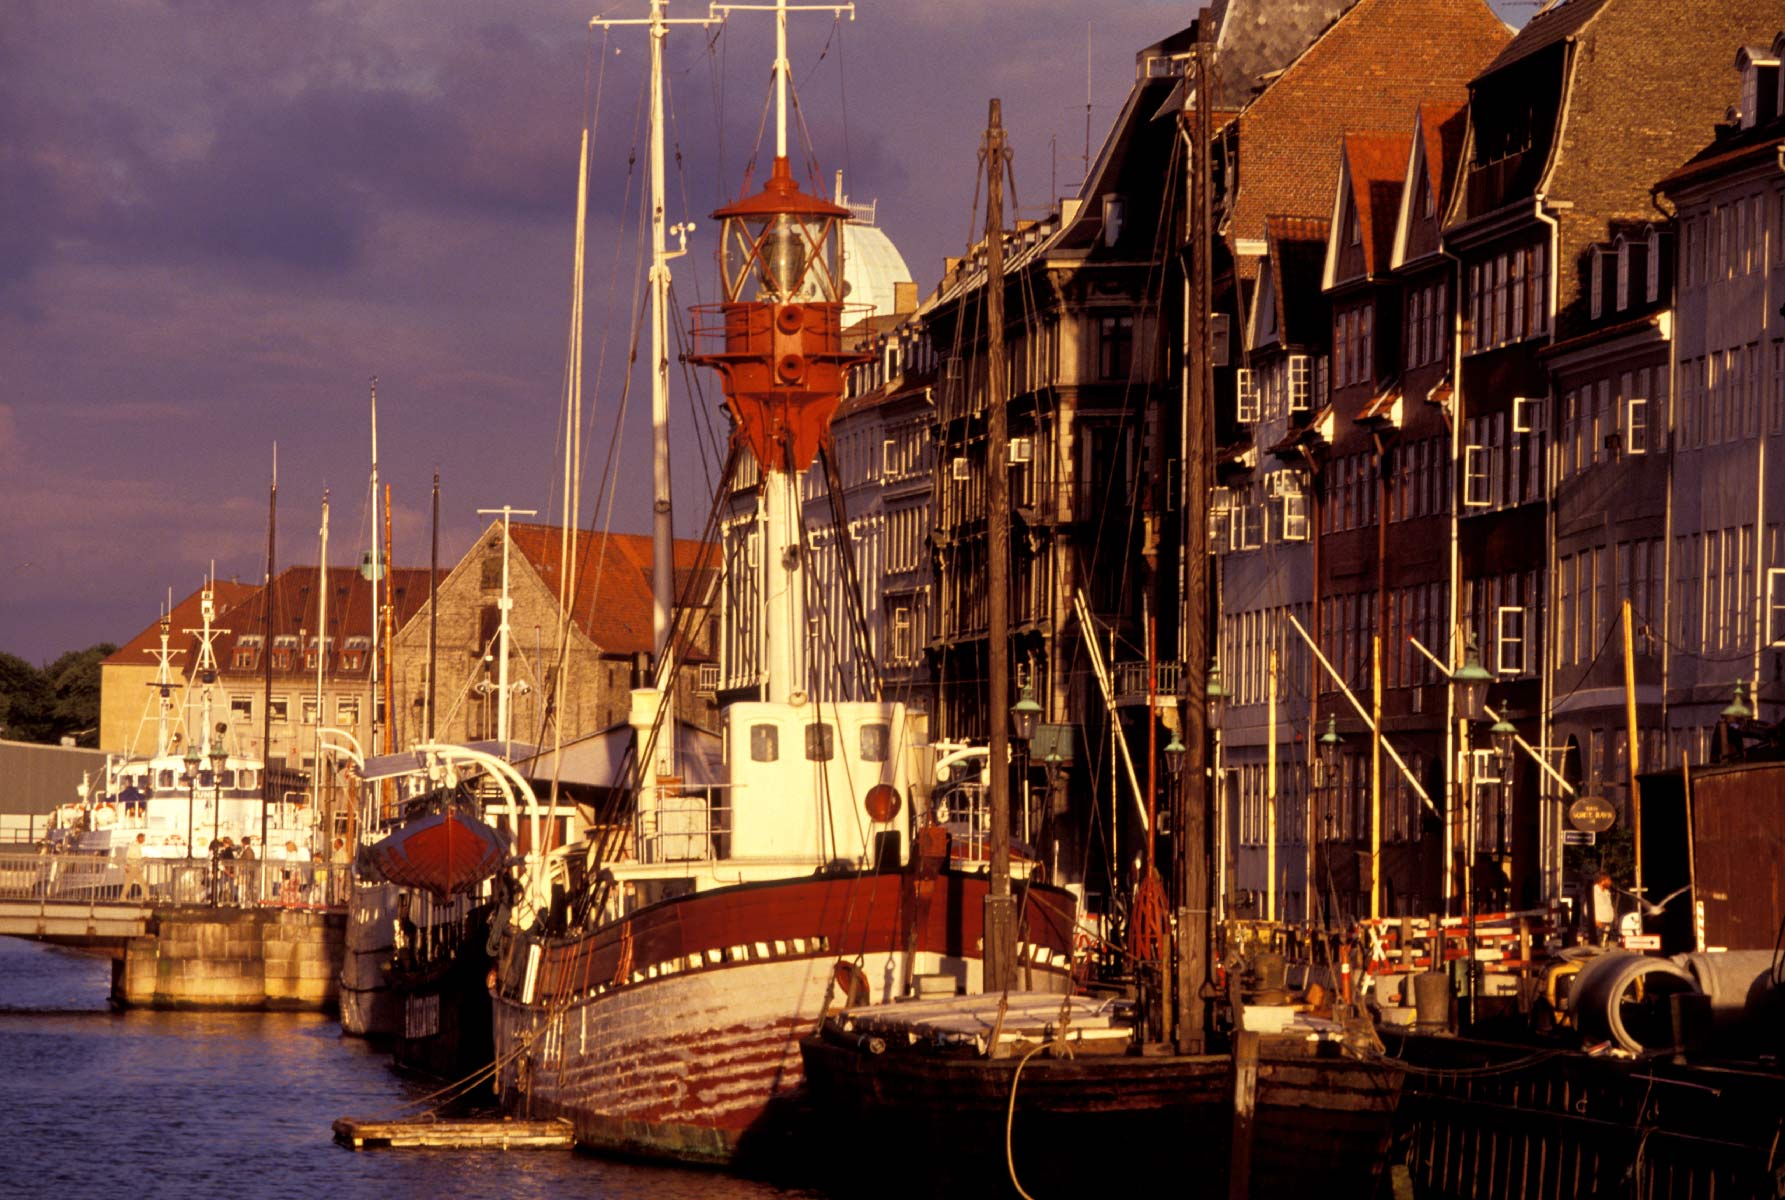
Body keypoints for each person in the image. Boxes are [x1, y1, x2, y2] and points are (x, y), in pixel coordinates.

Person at [1591, 872, 1616, 947]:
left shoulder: (1606, 892)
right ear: (1602, 881)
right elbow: (1587, 908)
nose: (1610, 882)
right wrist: (1595, 920)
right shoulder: (1594, 892)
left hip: (1608, 923)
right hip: (1599, 923)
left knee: (1605, 946)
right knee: (1598, 946)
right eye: (1608, 880)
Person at [122, 833, 146, 901]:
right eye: (143, 838)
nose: (144, 840)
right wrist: (127, 866)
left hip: (136, 867)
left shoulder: (137, 845)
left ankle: (147, 897)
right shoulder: (134, 846)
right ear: (139, 838)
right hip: (133, 867)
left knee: (143, 883)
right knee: (128, 884)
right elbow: (129, 856)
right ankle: (123, 897)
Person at [237, 836, 258, 904]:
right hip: (246, 871)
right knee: (244, 887)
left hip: (246, 872)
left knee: (244, 887)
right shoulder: (247, 850)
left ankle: (244, 902)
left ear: (243, 843)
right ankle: (243, 901)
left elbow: (247, 861)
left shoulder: (248, 851)